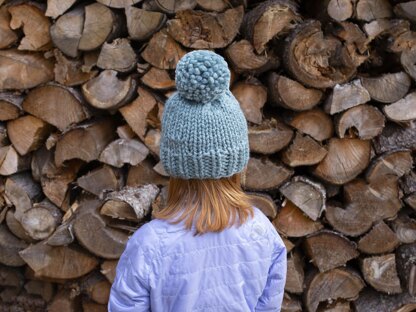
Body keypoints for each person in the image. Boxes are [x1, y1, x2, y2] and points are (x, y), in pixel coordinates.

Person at [108, 50, 287, 312]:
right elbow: (268, 307)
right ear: (237, 164)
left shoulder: (150, 244)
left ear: (174, 165)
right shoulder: (261, 231)